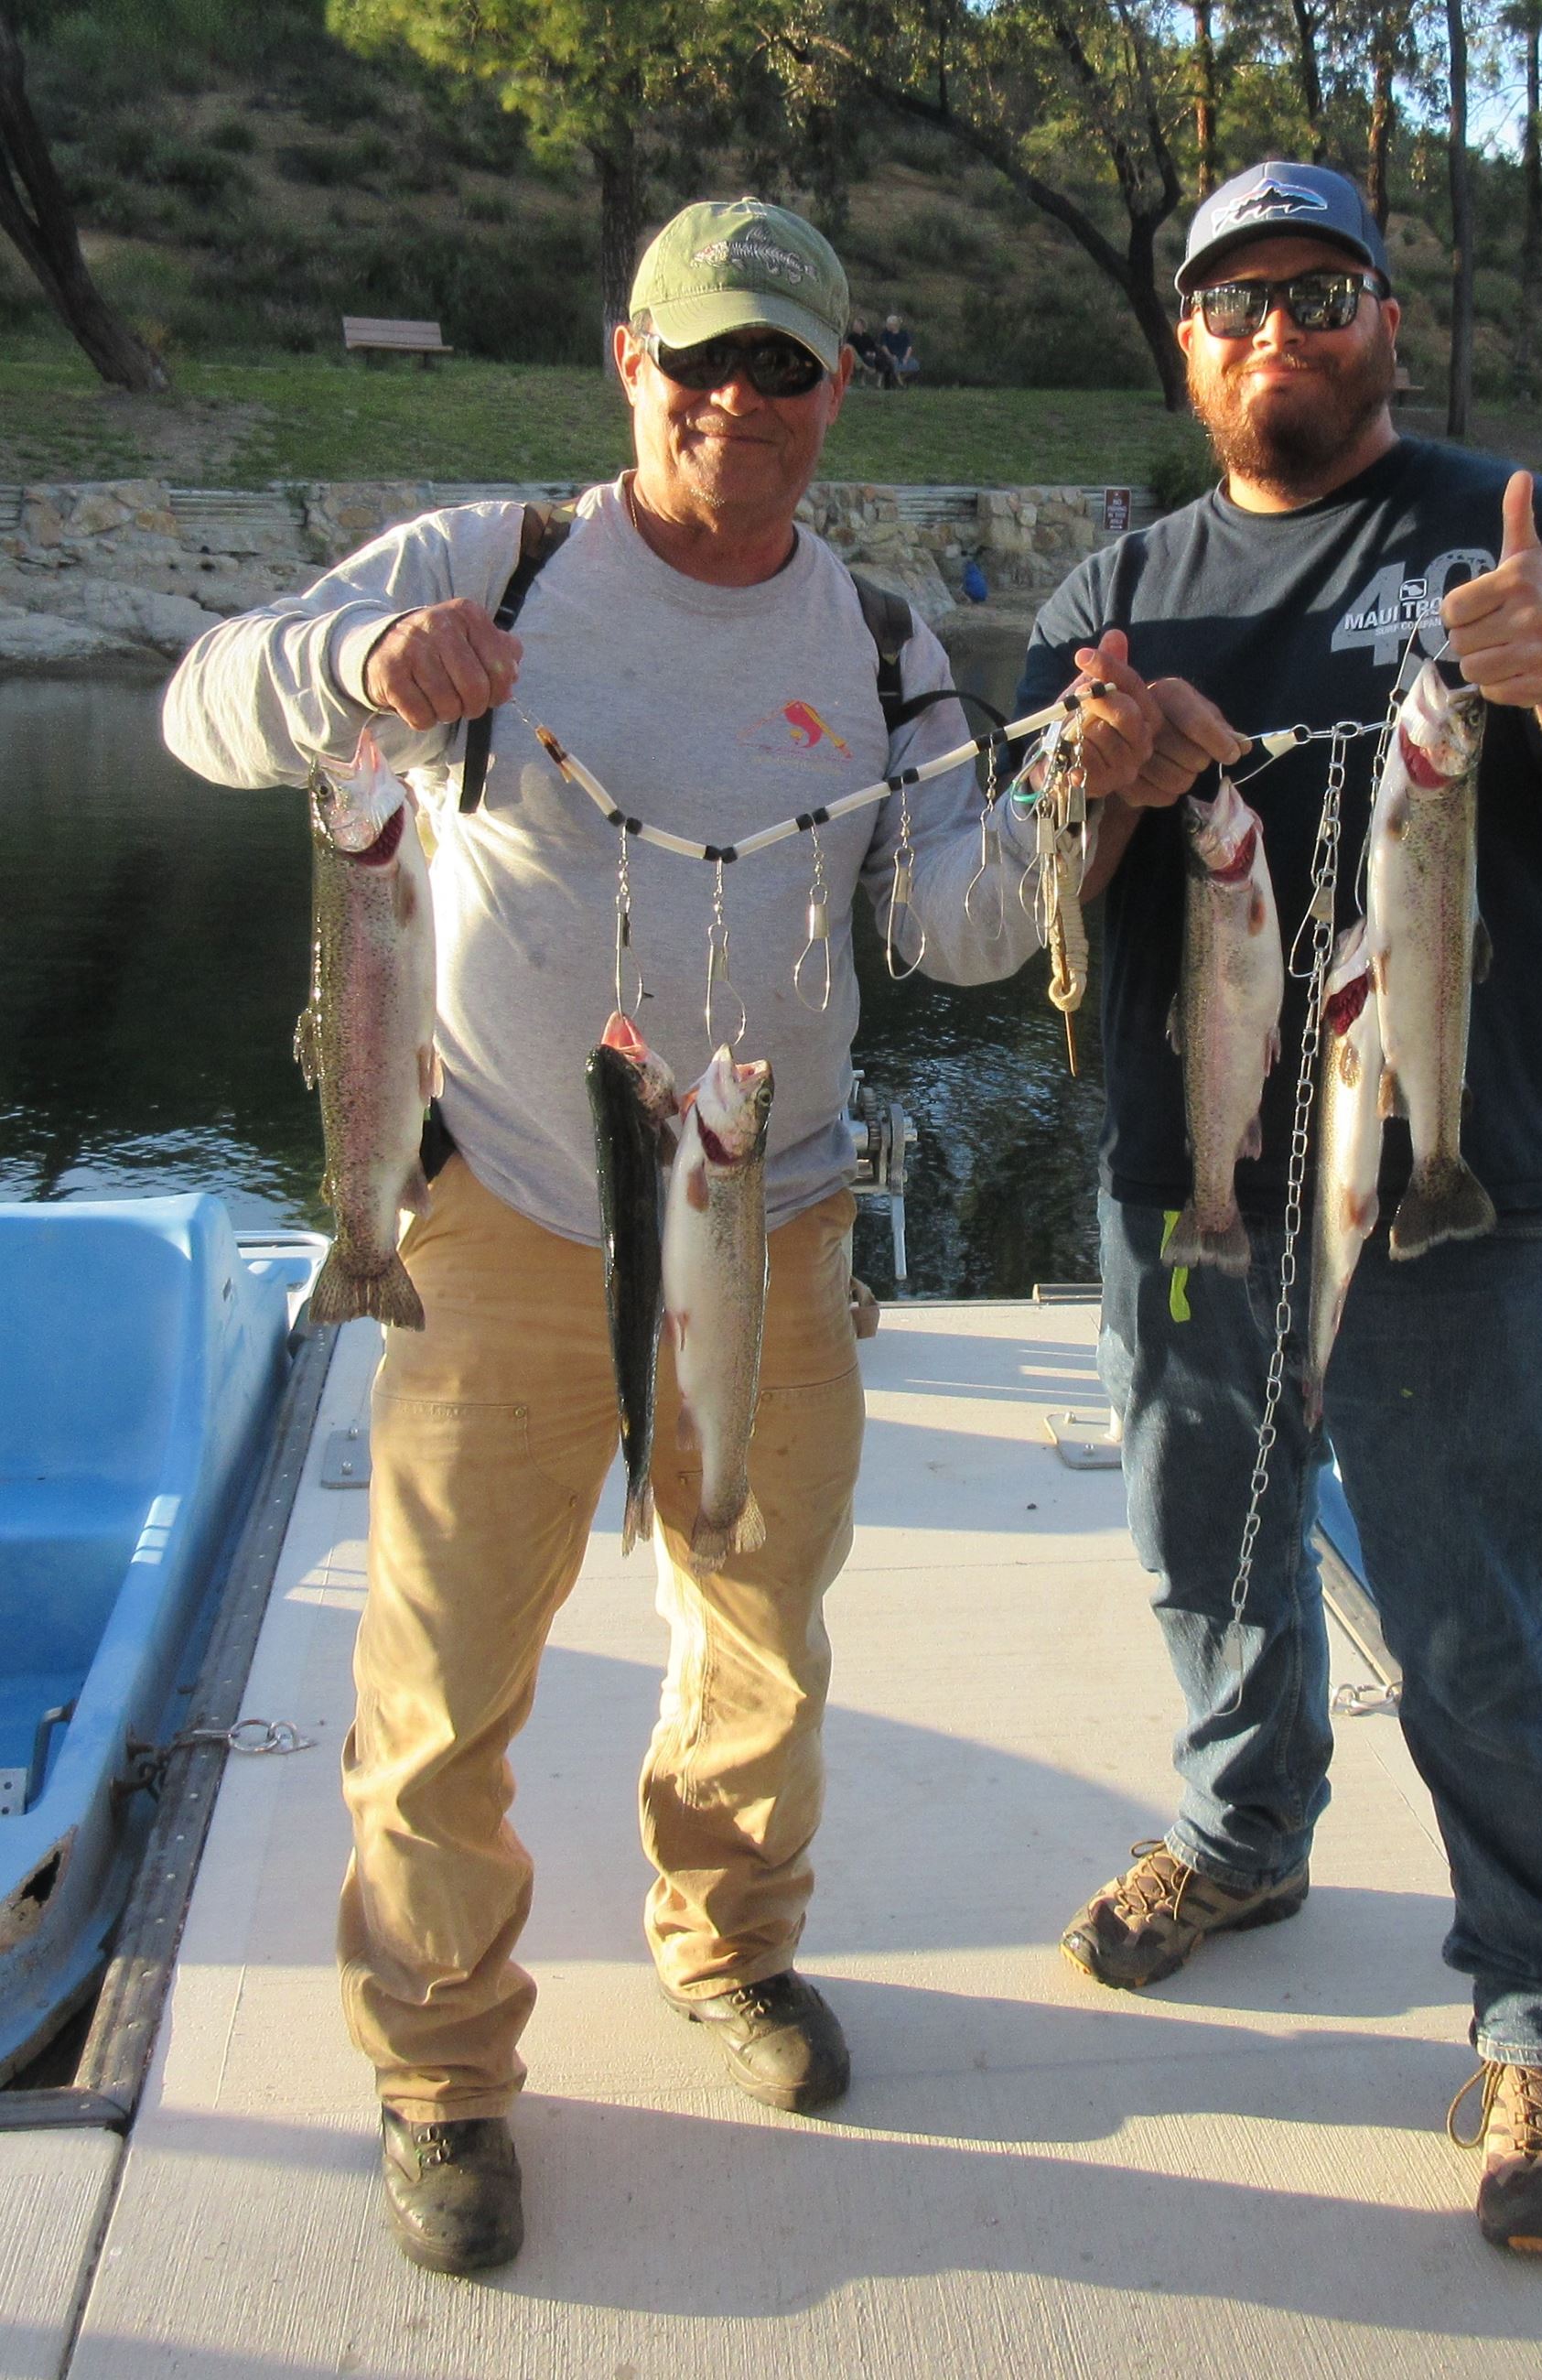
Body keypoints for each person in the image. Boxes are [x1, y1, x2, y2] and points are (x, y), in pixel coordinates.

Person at [162, 195, 1151, 2277]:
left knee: (762, 1636)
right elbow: (203, 707)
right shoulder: (487, 565)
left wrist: (1089, 796)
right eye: (703, 356)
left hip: (773, 1217)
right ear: (631, 359)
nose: (740, 399)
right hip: (504, 1213)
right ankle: (443, 2068)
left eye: (785, 363)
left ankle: (731, 1946)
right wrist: (354, 661)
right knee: (442, 1682)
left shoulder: (884, 647)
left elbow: (956, 925)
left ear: (837, 388)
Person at [1015, 160, 1542, 2259]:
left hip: (1460, 1187)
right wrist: (1100, 782)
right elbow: (1023, 901)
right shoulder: (1112, 598)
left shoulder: (1530, 538)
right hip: (1189, 1185)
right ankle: (1243, 1829)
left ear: (1389, 320)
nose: (1280, 331)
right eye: (1234, 300)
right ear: (1184, 344)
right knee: (1204, 1551)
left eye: (1321, 291)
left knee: (1474, 1624)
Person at [879, 312, 920, 388]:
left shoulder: (904, 333)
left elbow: (909, 348)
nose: (887, 326)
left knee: (915, 365)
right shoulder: (885, 334)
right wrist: (890, 356)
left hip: (903, 356)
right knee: (895, 364)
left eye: (889, 324)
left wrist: (906, 358)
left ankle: (898, 380)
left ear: (894, 325)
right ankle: (901, 384)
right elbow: (884, 347)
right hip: (891, 356)